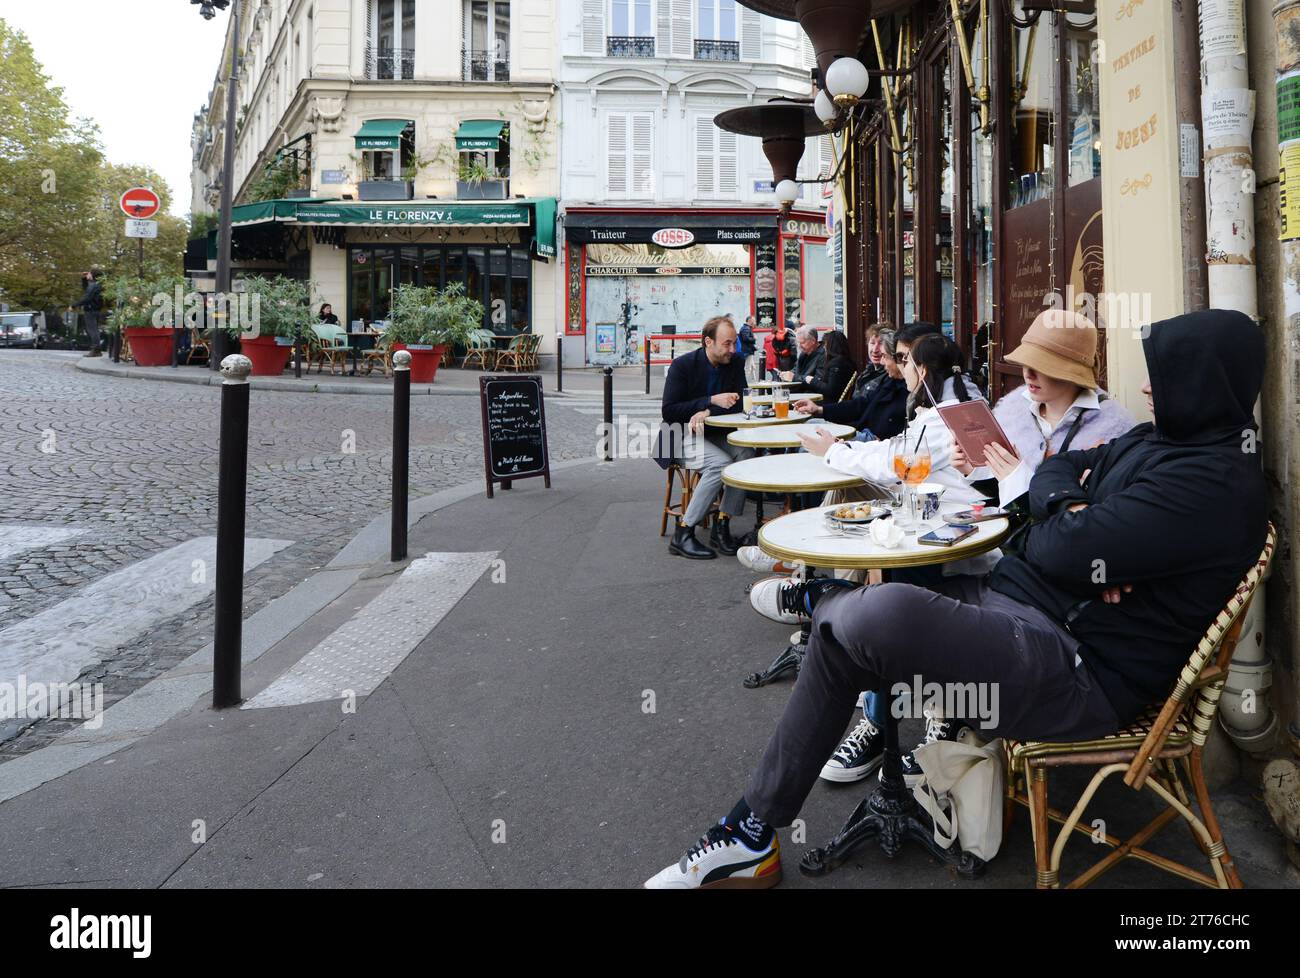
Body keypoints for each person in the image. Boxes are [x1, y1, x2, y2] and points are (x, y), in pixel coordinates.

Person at [643, 309, 1267, 888]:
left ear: (1202, 384)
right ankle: (751, 830)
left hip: (1079, 667)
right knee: (862, 621)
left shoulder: (1212, 486)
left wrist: (1071, 522)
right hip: (1026, 604)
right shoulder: (1158, 444)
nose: (1150, 389)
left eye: (1163, 375)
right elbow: (1058, 473)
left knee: (878, 612)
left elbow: (1054, 537)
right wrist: (1073, 511)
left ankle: (818, 604)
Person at [950, 309, 1134, 511]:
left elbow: (1095, 517)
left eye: (1041, 365)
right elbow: (1003, 491)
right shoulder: (1012, 411)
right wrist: (970, 469)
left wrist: (1018, 477)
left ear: (1072, 373)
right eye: (1026, 363)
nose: (1028, 374)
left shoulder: (1112, 430)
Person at [656, 315, 755, 560]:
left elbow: (739, 402)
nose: (733, 349)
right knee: (720, 464)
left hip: (714, 433)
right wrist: (708, 401)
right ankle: (683, 532)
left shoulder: (734, 362)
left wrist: (708, 411)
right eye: (727, 344)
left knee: (747, 455)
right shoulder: (682, 365)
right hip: (678, 435)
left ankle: (722, 526)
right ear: (708, 342)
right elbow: (669, 411)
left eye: (734, 344)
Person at [801, 329, 856, 401]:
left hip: (830, 405)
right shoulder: (848, 362)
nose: (824, 348)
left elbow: (830, 390)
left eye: (825, 345)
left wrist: (812, 381)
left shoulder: (837, 364)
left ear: (830, 346)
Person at [71, 269, 103, 358]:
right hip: (94, 309)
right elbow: (86, 290)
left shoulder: (94, 286)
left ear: (93, 276)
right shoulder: (95, 285)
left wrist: (74, 305)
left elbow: (87, 297)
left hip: (91, 310)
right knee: (93, 329)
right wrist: (84, 279)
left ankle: (96, 349)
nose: (87, 274)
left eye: (89, 273)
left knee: (92, 330)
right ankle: (96, 349)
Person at [736, 314, 759, 383]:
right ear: (750, 321)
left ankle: (754, 383)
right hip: (747, 351)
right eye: (754, 321)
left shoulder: (746, 328)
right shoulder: (746, 328)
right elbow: (746, 339)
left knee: (752, 368)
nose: (755, 322)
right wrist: (754, 338)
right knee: (748, 369)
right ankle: (744, 384)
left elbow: (747, 341)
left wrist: (754, 348)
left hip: (748, 351)